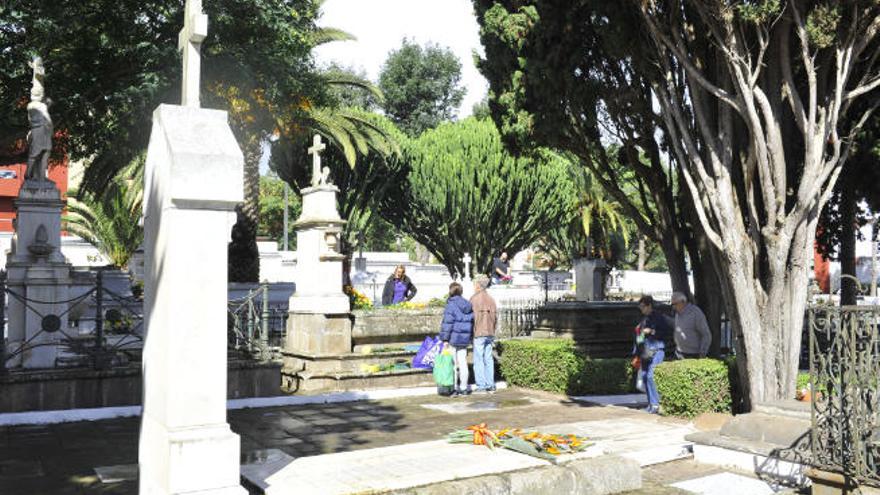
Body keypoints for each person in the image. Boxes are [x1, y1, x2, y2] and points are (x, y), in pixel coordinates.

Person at [635, 295, 673, 414]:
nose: (641, 309)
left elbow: (665, 332)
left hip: (657, 350)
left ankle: (656, 404)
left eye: (642, 306)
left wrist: (651, 331)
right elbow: (639, 336)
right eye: (640, 307)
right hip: (646, 351)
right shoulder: (644, 319)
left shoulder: (659, 317)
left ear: (649, 305)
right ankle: (651, 404)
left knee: (651, 376)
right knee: (646, 377)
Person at [438, 282, 474, 397]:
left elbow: (447, 324)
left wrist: (445, 339)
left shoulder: (451, 305)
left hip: (453, 339)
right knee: (463, 363)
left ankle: (453, 389)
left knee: (452, 365)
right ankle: (464, 388)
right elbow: (471, 322)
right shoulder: (468, 305)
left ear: (451, 291)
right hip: (464, 339)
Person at [470, 274, 497, 393]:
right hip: (490, 332)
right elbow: (496, 317)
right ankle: (490, 384)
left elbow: (471, 318)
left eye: (475, 284)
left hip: (479, 332)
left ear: (478, 285)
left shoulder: (474, 299)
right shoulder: (491, 299)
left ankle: (481, 385)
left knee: (479, 360)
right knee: (488, 358)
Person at [670, 292, 711, 359]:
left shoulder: (695, 312)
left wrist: (703, 352)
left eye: (675, 304)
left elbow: (706, 334)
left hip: (693, 355)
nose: (673, 307)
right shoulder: (677, 314)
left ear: (683, 302)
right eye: (672, 304)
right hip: (679, 353)